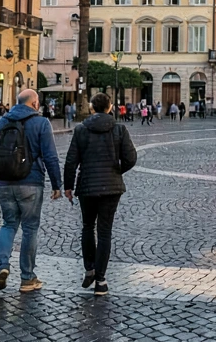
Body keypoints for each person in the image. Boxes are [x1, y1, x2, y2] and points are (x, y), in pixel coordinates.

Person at [0, 89, 63, 293]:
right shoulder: (41, 123)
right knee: (29, 229)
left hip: (4, 181)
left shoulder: (1, 122)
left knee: (8, 224)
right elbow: (50, 156)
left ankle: (3, 265)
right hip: (31, 181)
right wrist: (56, 184)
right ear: (34, 103)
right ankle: (27, 278)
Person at [63, 92, 137, 296]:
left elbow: (71, 161)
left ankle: (89, 269)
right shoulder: (119, 129)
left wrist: (68, 186)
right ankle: (101, 281)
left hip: (87, 185)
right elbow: (131, 158)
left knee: (87, 226)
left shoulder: (81, 130)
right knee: (105, 232)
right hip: (111, 187)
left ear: (92, 108)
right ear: (110, 107)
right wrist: (117, 171)